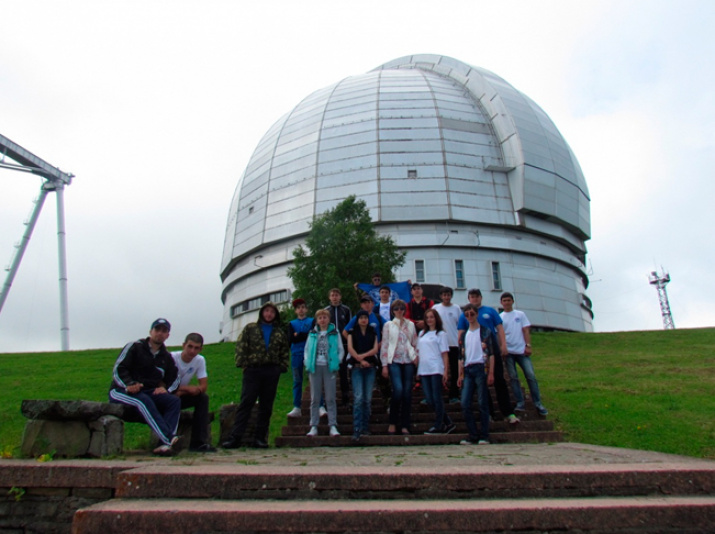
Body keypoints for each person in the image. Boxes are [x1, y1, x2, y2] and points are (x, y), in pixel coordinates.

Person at [109, 318, 182, 456]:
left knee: (173, 401)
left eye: (164, 331)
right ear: (151, 331)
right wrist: (129, 384)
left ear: (167, 335)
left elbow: (175, 378)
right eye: (157, 330)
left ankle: (163, 446)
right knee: (143, 400)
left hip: (148, 391)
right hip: (121, 390)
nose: (160, 333)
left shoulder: (166, 357)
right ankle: (169, 439)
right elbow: (119, 369)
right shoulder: (134, 347)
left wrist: (167, 389)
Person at [222, 302, 290, 449]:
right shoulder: (250, 328)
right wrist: (243, 364)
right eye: (266, 311)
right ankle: (235, 437)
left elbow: (284, 350)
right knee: (246, 403)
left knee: (266, 406)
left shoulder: (279, 332)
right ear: (262, 313)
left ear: (275, 314)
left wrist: (281, 368)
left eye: (272, 311)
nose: (269, 314)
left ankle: (260, 438)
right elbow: (241, 346)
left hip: (271, 371)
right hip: (253, 370)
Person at [458, 288, 520, 425]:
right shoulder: (464, 315)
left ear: (481, 298)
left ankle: (508, 412)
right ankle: (489, 413)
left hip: (491, 349)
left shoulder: (490, 311)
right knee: (481, 385)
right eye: (472, 297)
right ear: (468, 299)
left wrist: (503, 344)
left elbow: (499, 328)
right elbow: (461, 333)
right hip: (475, 354)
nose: (474, 299)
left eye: (476, 297)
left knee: (499, 380)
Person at [500, 292, 548, 415]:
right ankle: (520, 402)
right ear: (501, 303)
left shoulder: (520, 314)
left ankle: (537, 402)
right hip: (509, 351)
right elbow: (500, 334)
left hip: (521, 350)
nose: (506, 303)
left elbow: (526, 330)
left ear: (512, 301)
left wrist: (528, 345)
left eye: (508, 300)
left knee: (530, 375)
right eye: (504, 301)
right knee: (513, 378)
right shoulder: (500, 317)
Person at [171, 332, 216, 452]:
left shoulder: (199, 360)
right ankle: (167, 440)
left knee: (203, 398)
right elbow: (167, 385)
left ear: (201, 349)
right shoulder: (172, 358)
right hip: (168, 395)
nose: (192, 351)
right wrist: (187, 388)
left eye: (196, 348)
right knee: (172, 398)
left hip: (180, 394)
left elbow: (203, 386)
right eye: (190, 347)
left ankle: (198, 443)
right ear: (183, 345)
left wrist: (183, 391)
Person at [458, 304, 494, 445]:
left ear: (477, 314)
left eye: (472, 314)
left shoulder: (485, 331)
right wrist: (460, 375)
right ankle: (473, 434)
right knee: (465, 403)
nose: (469, 317)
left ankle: (484, 435)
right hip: (468, 369)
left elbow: (491, 354)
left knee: (482, 402)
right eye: (466, 315)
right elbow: (461, 358)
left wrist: (491, 372)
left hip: (481, 367)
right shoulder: (464, 335)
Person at [380, 299, 418, 435]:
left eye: (401, 308)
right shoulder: (388, 325)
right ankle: (392, 421)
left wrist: (416, 359)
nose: (399, 311)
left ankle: (405, 424)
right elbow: (384, 345)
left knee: (407, 392)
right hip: (394, 360)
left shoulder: (411, 325)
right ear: (393, 311)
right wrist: (384, 365)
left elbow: (415, 343)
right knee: (398, 390)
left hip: (408, 361)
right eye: (396, 309)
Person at [416, 308, 456, 434]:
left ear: (436, 318)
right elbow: (418, 352)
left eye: (431, 317)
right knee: (429, 398)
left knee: (436, 397)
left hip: (436, 368)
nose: (429, 320)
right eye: (427, 317)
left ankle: (439, 425)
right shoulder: (422, 333)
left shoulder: (441, 334)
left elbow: (444, 354)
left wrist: (445, 371)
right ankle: (448, 422)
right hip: (424, 368)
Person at [305, 309, 343, 437]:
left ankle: (332, 425)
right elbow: (307, 349)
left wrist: (337, 362)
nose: (322, 320)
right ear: (317, 320)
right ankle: (313, 425)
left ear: (328, 319)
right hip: (315, 367)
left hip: (329, 366)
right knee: (315, 398)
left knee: (330, 398)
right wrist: (307, 362)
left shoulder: (334, 332)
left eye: (325, 317)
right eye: (320, 317)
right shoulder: (312, 333)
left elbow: (340, 349)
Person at [347, 310, 379, 441]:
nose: (364, 320)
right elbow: (350, 348)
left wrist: (364, 357)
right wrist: (360, 360)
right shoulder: (352, 332)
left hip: (370, 367)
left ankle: (365, 427)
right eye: (361, 318)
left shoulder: (373, 332)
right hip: (357, 368)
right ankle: (357, 428)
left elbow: (375, 349)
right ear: (357, 319)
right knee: (359, 397)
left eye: (366, 317)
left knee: (367, 399)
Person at [432, 287, 462, 404]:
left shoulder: (456, 308)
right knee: (439, 369)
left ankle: (454, 394)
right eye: (444, 295)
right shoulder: (436, 308)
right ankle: (437, 394)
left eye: (448, 295)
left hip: (453, 343)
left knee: (455, 370)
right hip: (439, 344)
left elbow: (460, 325)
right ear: (441, 296)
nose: (446, 297)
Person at [324, 288, 352, 406]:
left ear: (340, 297)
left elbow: (350, 326)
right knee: (329, 373)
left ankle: (346, 398)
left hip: (344, 345)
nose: (334, 297)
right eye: (332, 295)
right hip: (330, 345)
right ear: (329, 297)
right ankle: (328, 400)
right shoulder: (325, 310)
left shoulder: (346, 310)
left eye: (336, 295)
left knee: (343, 372)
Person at [287, 298, 312, 418]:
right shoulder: (292, 324)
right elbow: (291, 339)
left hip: (310, 353)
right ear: (296, 311)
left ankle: (320, 404)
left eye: (302, 307)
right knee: (297, 380)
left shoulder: (312, 321)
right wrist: (303, 335)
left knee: (314, 379)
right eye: (298, 308)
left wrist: (300, 335)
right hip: (296, 353)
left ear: (306, 309)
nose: (301, 310)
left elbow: (312, 335)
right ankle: (297, 406)